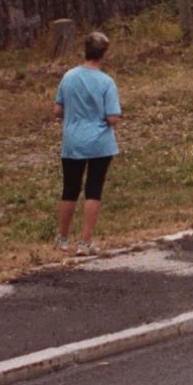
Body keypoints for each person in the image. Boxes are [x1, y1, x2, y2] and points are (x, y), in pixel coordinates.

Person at [54, 30, 124, 255]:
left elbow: (57, 110)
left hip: (73, 141)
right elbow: (113, 118)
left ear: (85, 50)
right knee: (93, 189)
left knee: (70, 188)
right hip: (99, 143)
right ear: (104, 53)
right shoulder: (106, 82)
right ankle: (85, 242)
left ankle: (63, 239)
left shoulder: (68, 77)